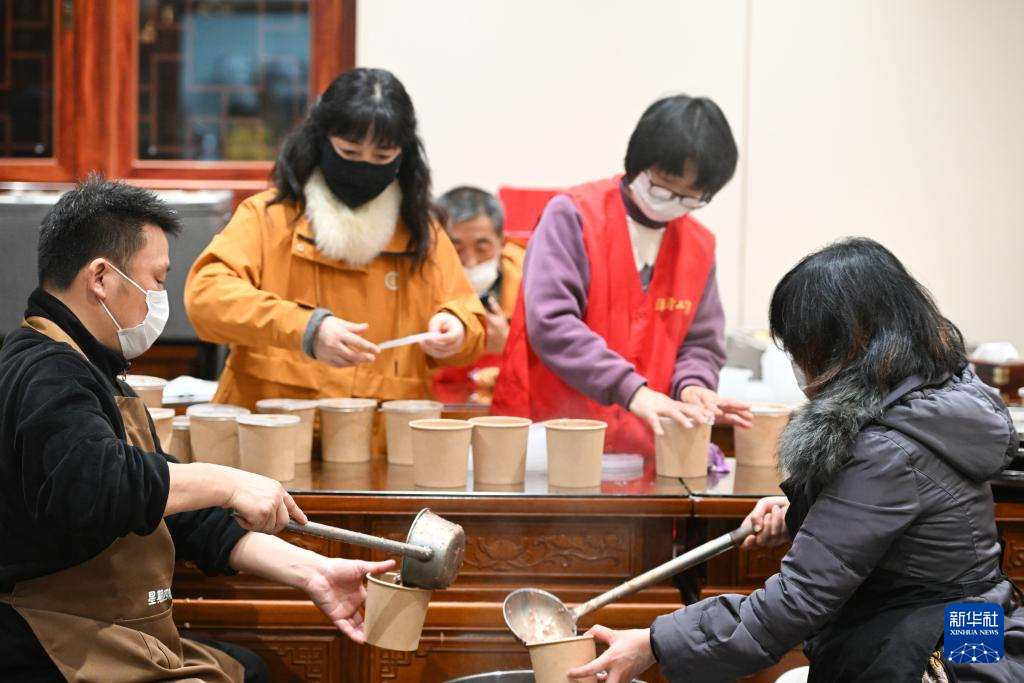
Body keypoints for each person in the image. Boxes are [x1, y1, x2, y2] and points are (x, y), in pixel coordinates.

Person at [567, 238, 1024, 683]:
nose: (800, 364)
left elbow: (793, 603)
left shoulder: (886, 450)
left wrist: (653, 643)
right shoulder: (937, 399)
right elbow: (908, 521)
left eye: (802, 347)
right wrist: (804, 512)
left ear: (848, 343)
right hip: (977, 624)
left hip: (924, 652)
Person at [0, 178, 395, 682]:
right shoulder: (48, 370)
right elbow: (96, 485)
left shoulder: (91, 366)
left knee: (248, 669)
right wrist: (225, 481)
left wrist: (312, 571)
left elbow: (175, 510)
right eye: (157, 279)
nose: (159, 297)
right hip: (50, 644)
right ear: (100, 277)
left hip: (109, 629)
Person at [185, 68, 485, 449]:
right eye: (349, 153)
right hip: (264, 449)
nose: (364, 167)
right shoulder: (267, 217)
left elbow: (470, 321)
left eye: (382, 156)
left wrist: (457, 328)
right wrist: (306, 329)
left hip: (381, 454)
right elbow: (205, 298)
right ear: (320, 141)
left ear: (404, 157)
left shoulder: (423, 235)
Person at [491, 94, 751, 456]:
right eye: (663, 185)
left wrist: (693, 384)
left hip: (641, 446)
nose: (671, 202)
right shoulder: (574, 216)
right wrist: (632, 390)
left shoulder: (697, 246)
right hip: (550, 435)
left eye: (690, 198)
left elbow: (701, 344)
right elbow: (551, 323)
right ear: (638, 163)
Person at [432, 186, 525, 403]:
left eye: (482, 248)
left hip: (506, 409)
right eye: (456, 249)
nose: (471, 262)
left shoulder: (531, 282)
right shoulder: (418, 282)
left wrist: (508, 346)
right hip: (440, 408)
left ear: (502, 243)